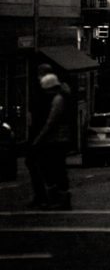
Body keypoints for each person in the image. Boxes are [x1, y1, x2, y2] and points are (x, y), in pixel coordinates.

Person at [25, 67, 72, 210]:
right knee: (55, 169)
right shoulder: (61, 97)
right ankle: (58, 199)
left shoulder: (58, 100)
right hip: (58, 139)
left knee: (54, 169)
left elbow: (51, 122)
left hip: (56, 140)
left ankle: (59, 199)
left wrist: (39, 138)